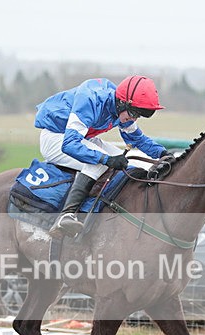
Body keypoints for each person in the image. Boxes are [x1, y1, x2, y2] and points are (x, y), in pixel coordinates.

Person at [34, 75, 171, 238]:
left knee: (119, 157)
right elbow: (69, 144)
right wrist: (106, 160)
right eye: (133, 113)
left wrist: (163, 154)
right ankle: (66, 216)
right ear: (122, 102)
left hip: (80, 137)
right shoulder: (91, 100)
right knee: (100, 162)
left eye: (138, 115)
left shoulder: (121, 107)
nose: (133, 118)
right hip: (55, 137)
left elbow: (137, 139)